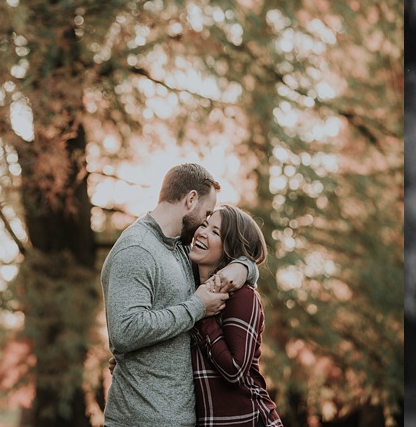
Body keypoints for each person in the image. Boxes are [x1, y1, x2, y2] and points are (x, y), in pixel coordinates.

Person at [102, 163, 261, 427]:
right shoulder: (136, 250)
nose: (203, 227)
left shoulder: (180, 251)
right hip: (140, 420)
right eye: (207, 214)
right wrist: (196, 306)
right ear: (191, 200)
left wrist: (244, 266)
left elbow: (231, 256)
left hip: (181, 418)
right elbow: (125, 331)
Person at [189, 204, 283, 427]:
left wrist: (205, 314)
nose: (202, 232)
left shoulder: (242, 297)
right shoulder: (190, 292)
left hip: (249, 420)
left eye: (215, 232)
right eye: (204, 225)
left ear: (230, 248)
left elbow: (235, 370)